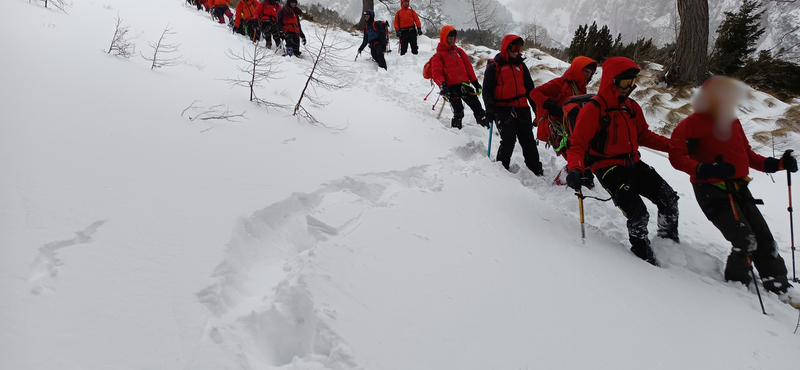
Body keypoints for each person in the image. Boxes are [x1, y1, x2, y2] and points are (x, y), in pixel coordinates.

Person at [668, 76, 799, 306]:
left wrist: (779, 164)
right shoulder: (692, 124)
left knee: (764, 238)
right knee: (745, 240)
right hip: (711, 190)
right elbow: (676, 157)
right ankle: (736, 284)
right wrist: (705, 169)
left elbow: (748, 156)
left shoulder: (732, 122)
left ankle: (777, 284)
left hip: (739, 187)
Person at [565, 57, 679, 266]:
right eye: (625, 83)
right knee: (638, 213)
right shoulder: (594, 109)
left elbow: (644, 136)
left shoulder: (631, 107)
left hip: (633, 163)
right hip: (607, 168)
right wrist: (575, 168)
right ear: (612, 81)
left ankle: (669, 244)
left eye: (632, 82)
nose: (630, 87)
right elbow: (577, 144)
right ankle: (643, 259)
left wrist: (675, 147)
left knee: (668, 198)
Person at [483, 35, 542, 175]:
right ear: (506, 48)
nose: (517, 52)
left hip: (522, 108)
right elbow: (487, 90)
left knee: (528, 140)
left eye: (519, 49)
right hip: (502, 108)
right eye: (515, 48)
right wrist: (490, 108)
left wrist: (536, 109)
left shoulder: (521, 67)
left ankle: (536, 170)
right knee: (508, 138)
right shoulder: (494, 67)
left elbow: (530, 90)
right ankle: (501, 170)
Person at [530, 56, 597, 158]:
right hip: (557, 127)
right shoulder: (561, 83)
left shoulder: (582, 89)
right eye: (586, 71)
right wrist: (549, 104)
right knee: (573, 154)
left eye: (590, 73)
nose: (588, 75)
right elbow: (534, 93)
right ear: (577, 69)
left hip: (571, 127)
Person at [431, 25, 487, 130]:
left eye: (453, 38)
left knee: (478, 108)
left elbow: (468, 68)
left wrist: (475, 82)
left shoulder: (459, 52)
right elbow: (436, 73)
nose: (452, 40)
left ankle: (486, 129)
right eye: (449, 38)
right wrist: (443, 85)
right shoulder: (438, 56)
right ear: (444, 38)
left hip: (464, 85)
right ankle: (456, 135)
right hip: (451, 88)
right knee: (458, 111)